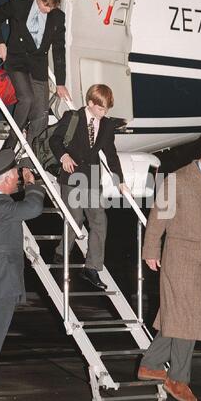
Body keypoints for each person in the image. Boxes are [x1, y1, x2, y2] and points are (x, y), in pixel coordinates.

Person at [137, 132, 201, 401]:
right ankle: (178, 378)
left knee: (179, 316)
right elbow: (159, 216)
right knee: (188, 319)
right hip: (179, 258)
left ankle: (151, 364)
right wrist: (151, 251)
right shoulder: (177, 179)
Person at [49, 84, 129, 290]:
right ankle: (61, 252)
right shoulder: (72, 117)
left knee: (99, 221)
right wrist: (63, 155)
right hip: (72, 175)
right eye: (101, 109)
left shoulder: (107, 125)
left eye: (107, 110)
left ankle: (91, 268)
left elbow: (110, 154)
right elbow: (55, 140)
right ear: (91, 103)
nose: (104, 114)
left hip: (92, 178)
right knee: (76, 218)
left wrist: (119, 179)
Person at [0, 149, 45, 401]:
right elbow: (32, 208)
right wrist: (34, 184)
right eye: (16, 178)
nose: (18, 182)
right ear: (6, 178)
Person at [0, 0, 70, 150]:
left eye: (52, 7)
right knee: (27, 98)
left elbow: (59, 50)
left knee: (41, 115)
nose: (48, 10)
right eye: (46, 5)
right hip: (17, 62)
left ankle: (28, 163)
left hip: (38, 67)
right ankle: (9, 148)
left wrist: (61, 83)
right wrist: (0, 43)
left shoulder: (57, 17)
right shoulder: (18, 5)